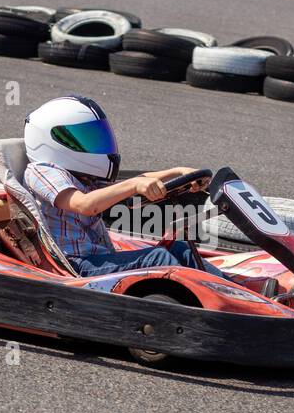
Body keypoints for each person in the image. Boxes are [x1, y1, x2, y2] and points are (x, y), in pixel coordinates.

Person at [22, 95, 231, 279]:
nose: (96, 146)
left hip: (100, 256)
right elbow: (84, 205)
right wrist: (134, 184)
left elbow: (132, 183)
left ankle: (235, 293)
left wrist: (178, 172)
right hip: (77, 264)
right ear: (50, 140)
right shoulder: (41, 171)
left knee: (180, 248)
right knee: (157, 257)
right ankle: (201, 305)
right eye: (87, 140)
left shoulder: (83, 176)